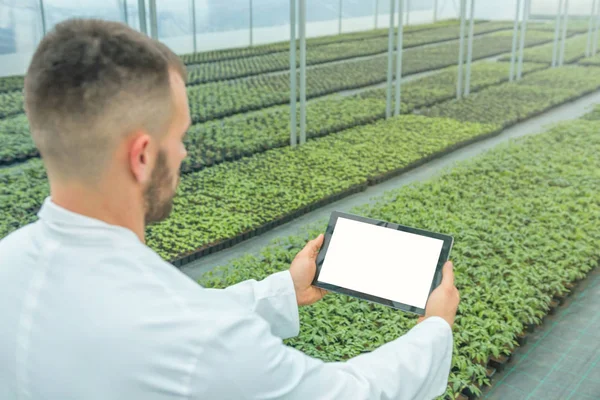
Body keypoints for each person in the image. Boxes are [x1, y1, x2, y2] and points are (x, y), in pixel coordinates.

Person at [0, 19, 460, 400]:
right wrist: (434, 330)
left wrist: (284, 290)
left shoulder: (10, 264)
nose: (181, 155)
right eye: (179, 137)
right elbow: (346, 394)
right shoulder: (201, 341)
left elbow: (156, 317)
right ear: (141, 157)